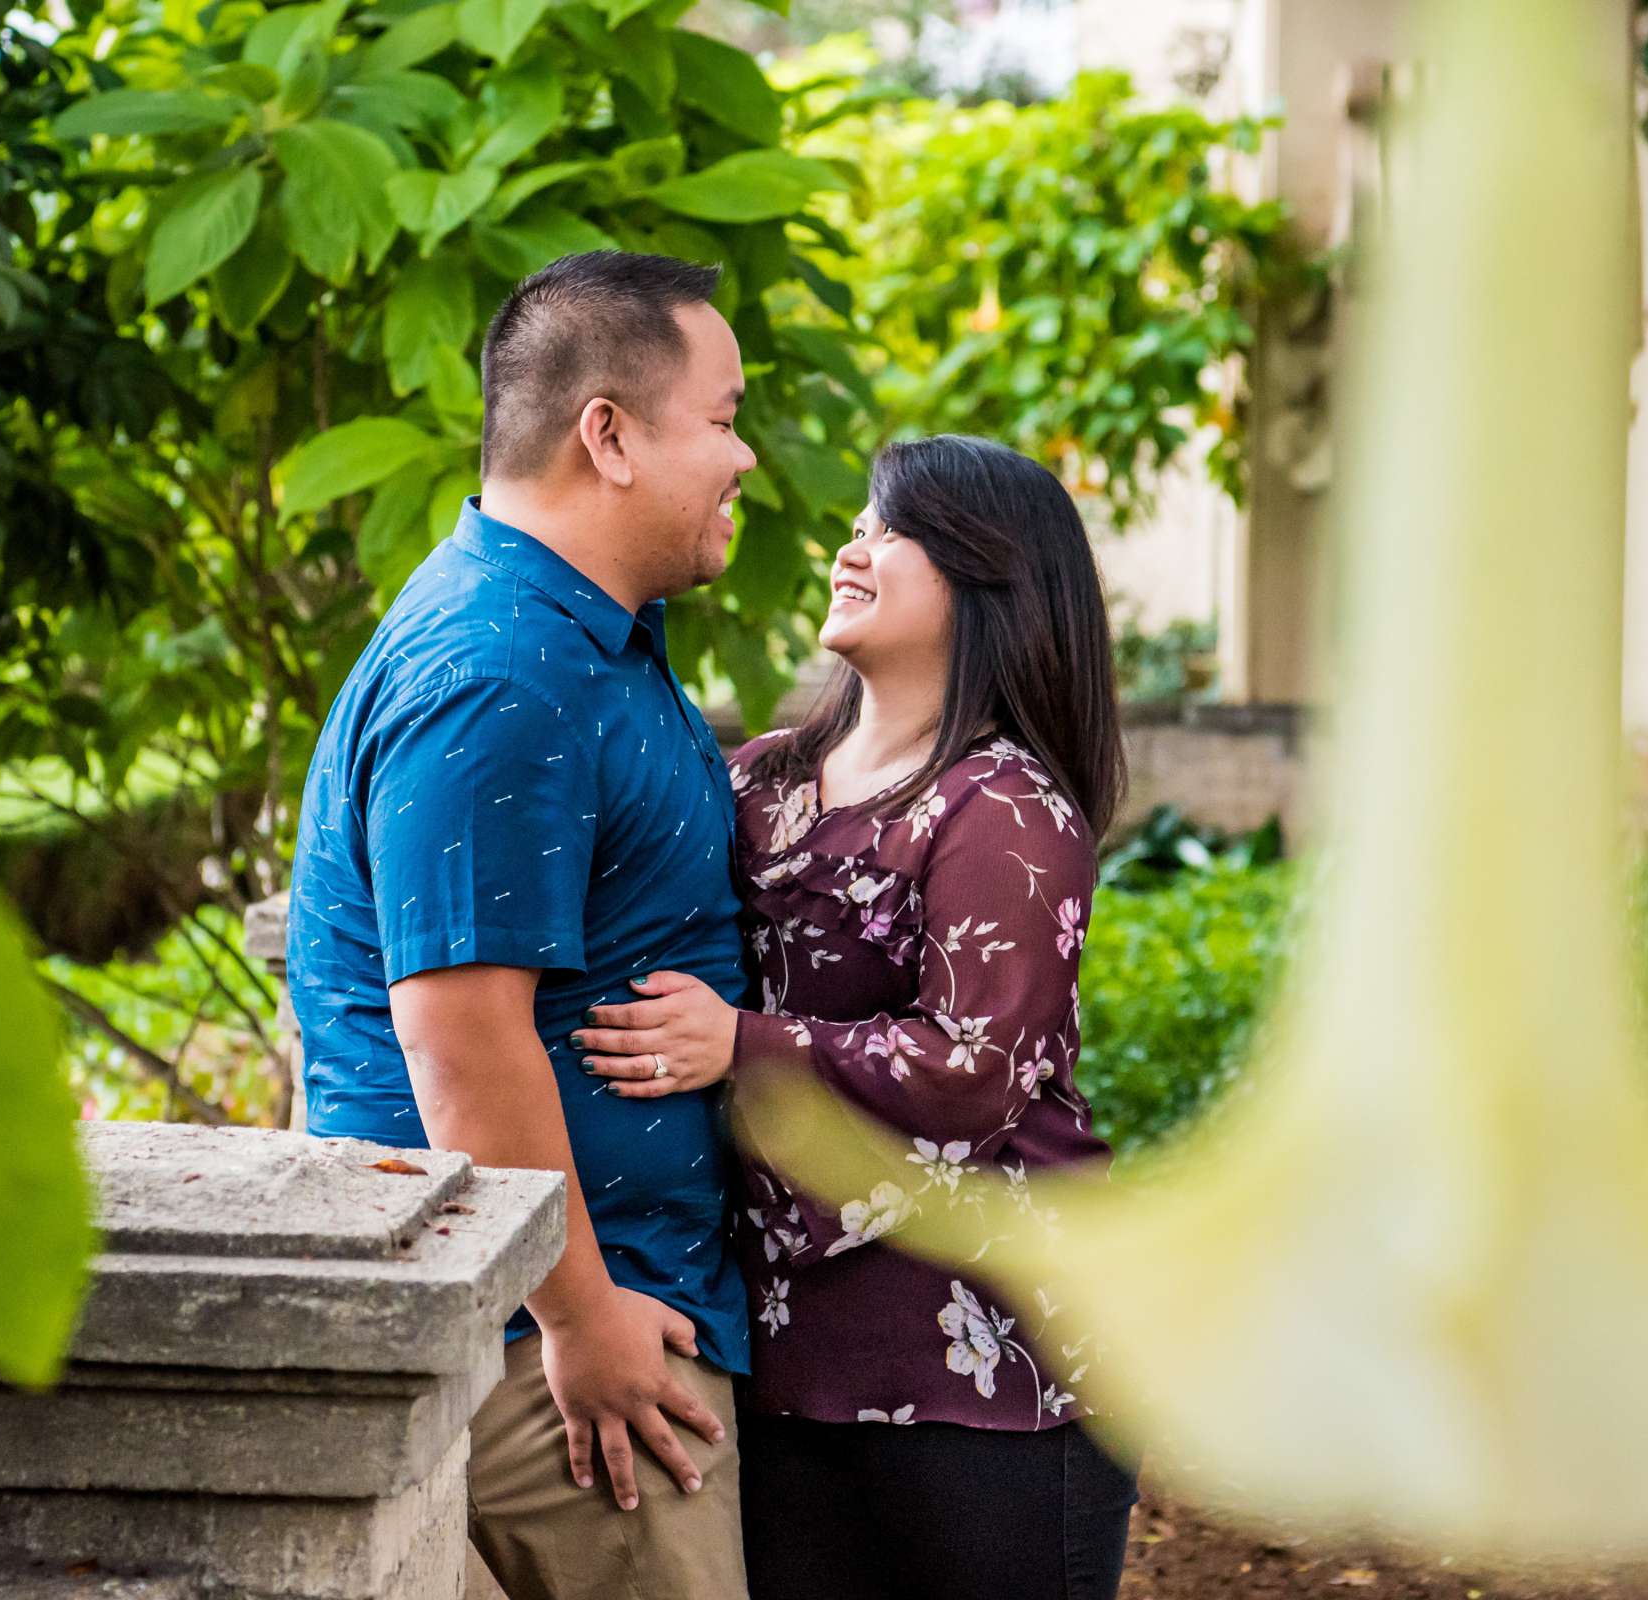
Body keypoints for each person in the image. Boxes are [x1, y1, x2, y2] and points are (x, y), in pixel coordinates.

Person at [576, 435, 1140, 1599]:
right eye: (862, 520)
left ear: (992, 577)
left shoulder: (1007, 805)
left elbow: (976, 1073)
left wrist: (741, 1044)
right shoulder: (766, 779)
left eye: (894, 528)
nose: (853, 543)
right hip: (788, 1355)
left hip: (1001, 1375)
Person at [286, 250, 761, 1600]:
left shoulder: (584, 638)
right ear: (606, 434)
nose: (745, 456)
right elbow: (455, 1031)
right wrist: (583, 1316)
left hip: (592, 1320)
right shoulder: (500, 668)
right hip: (555, 1369)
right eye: (722, 417)